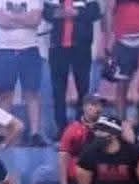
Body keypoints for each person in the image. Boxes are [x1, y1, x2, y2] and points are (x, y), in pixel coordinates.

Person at [44, 0, 102, 136]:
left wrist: (75, 12)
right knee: (58, 91)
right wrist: (63, 13)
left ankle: (82, 127)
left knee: (83, 89)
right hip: (57, 48)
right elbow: (46, 13)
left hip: (82, 48)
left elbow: (94, 13)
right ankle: (61, 129)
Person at [0, 0, 44, 145]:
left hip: (30, 49)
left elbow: (35, 20)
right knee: (5, 94)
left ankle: (35, 134)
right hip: (5, 50)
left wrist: (11, 18)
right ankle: (2, 133)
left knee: (32, 93)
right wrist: (24, 19)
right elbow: (0, 21)